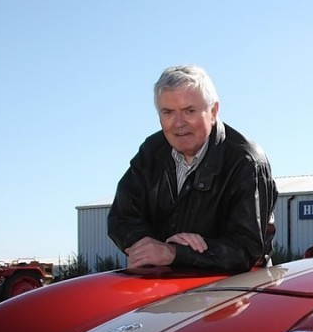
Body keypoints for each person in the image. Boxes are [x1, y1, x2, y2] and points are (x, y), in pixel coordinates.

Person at [108, 65, 277, 273]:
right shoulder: (151, 152)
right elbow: (121, 217)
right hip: (162, 289)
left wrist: (176, 253)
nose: (178, 123)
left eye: (189, 111)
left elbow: (247, 250)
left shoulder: (247, 162)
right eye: (168, 112)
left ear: (213, 111)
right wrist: (148, 246)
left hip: (237, 294)